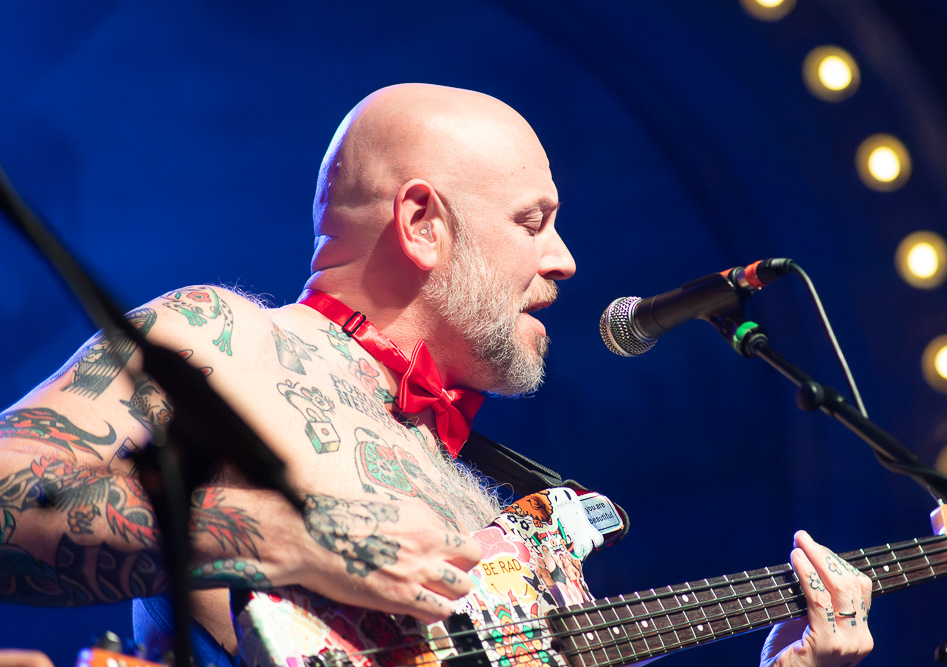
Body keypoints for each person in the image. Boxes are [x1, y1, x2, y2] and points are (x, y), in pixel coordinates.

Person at [0, 84, 873, 666]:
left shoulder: (498, 500)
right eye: (533, 221)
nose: (565, 260)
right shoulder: (226, 339)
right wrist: (292, 535)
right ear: (422, 221)